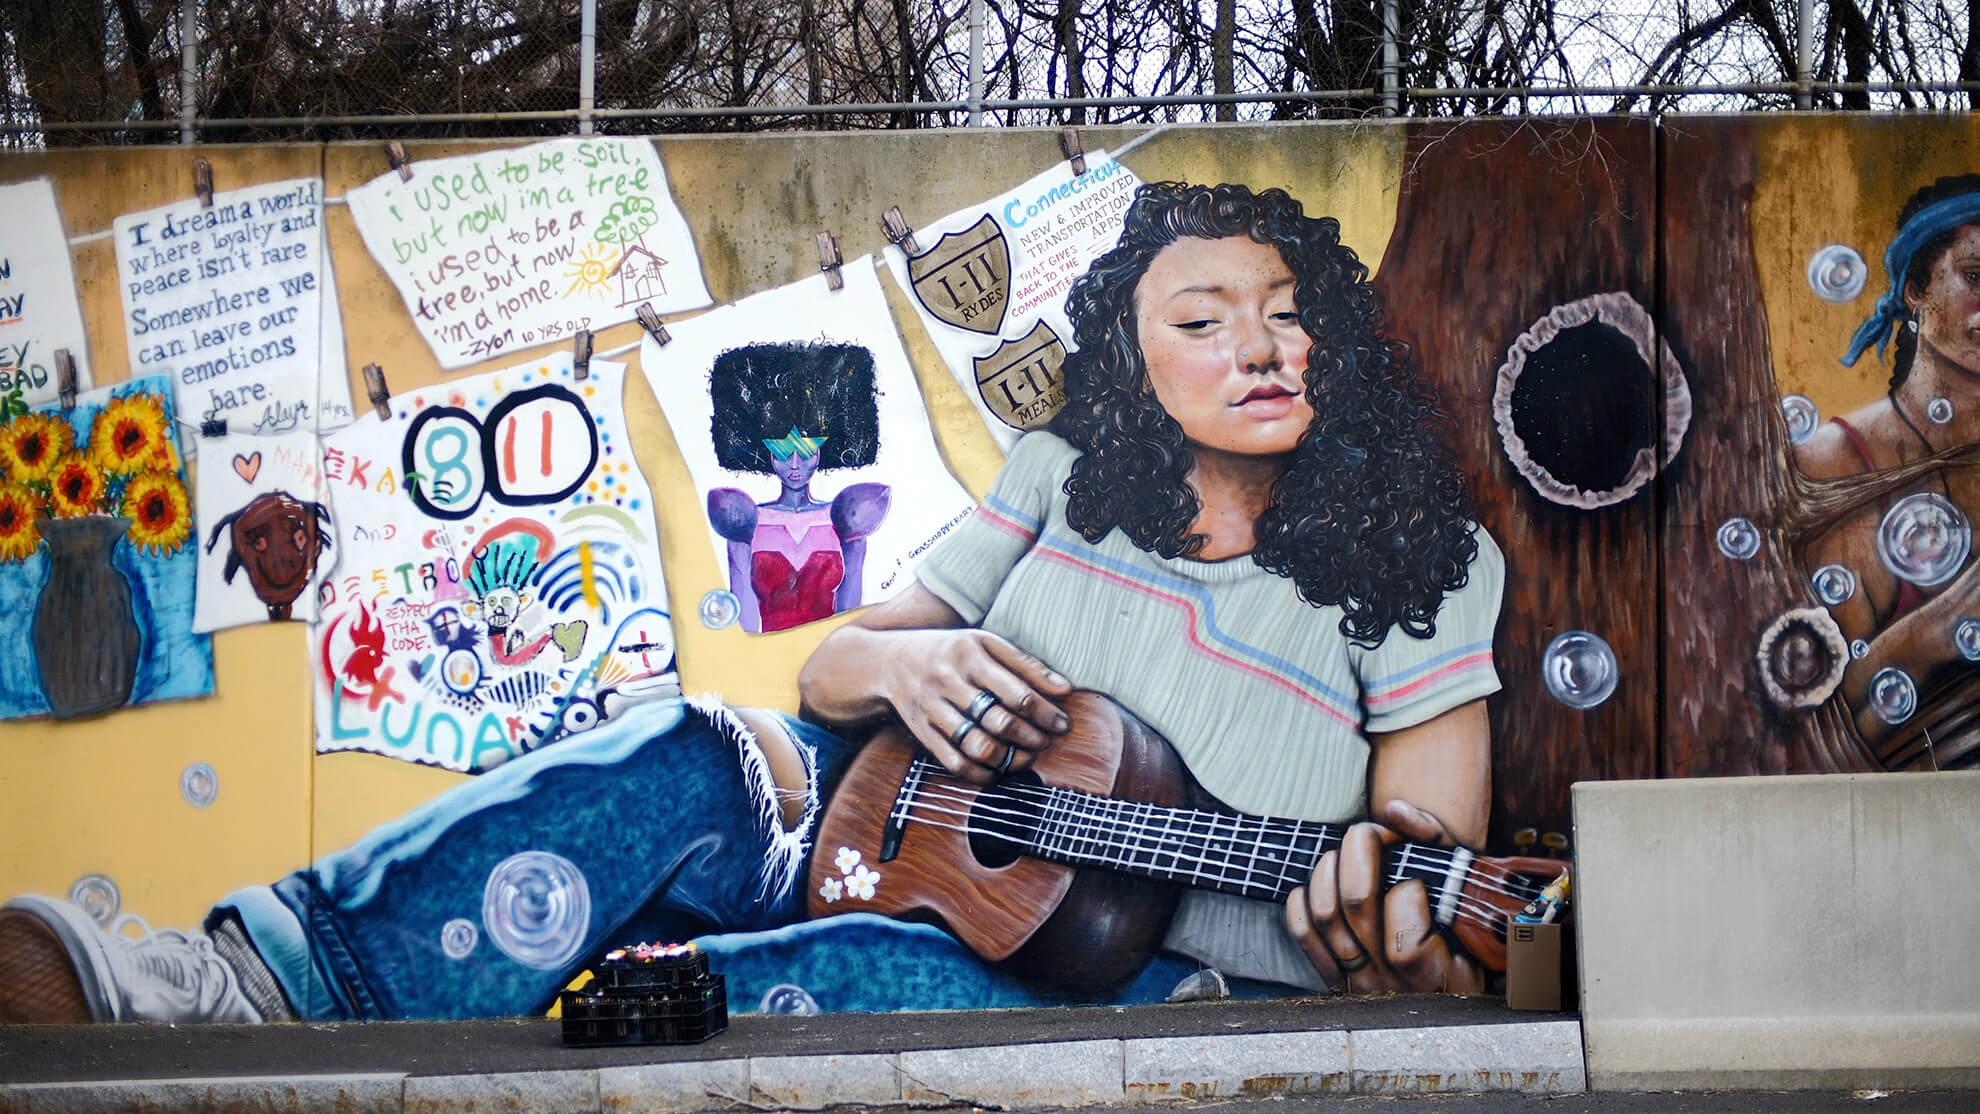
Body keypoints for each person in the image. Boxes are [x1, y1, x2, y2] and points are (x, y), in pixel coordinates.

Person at [0, 182, 1503, 1024]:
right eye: (1204, 318)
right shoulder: (1057, 477)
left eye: (1292, 314)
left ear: (1341, 344)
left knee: (722, 998)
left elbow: (1438, 873)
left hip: (1138, 986)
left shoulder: (1426, 570)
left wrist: (1399, 932)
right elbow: (841, 663)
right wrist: (907, 677)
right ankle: (236, 989)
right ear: (1132, 354)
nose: (1261, 346)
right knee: (674, 755)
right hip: (876, 828)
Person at [1794, 174, 1980, 758]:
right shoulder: (1839, 462)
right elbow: (1822, 728)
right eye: (1976, 277)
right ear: (1913, 290)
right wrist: (1943, 623)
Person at [705, 341, 892, 634]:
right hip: (767, 655)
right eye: (782, 452)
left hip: (831, 654)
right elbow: (745, 612)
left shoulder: (845, 515)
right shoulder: (746, 519)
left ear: (819, 453)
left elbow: (850, 605)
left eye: (804, 452)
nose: (794, 465)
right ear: (767, 454)